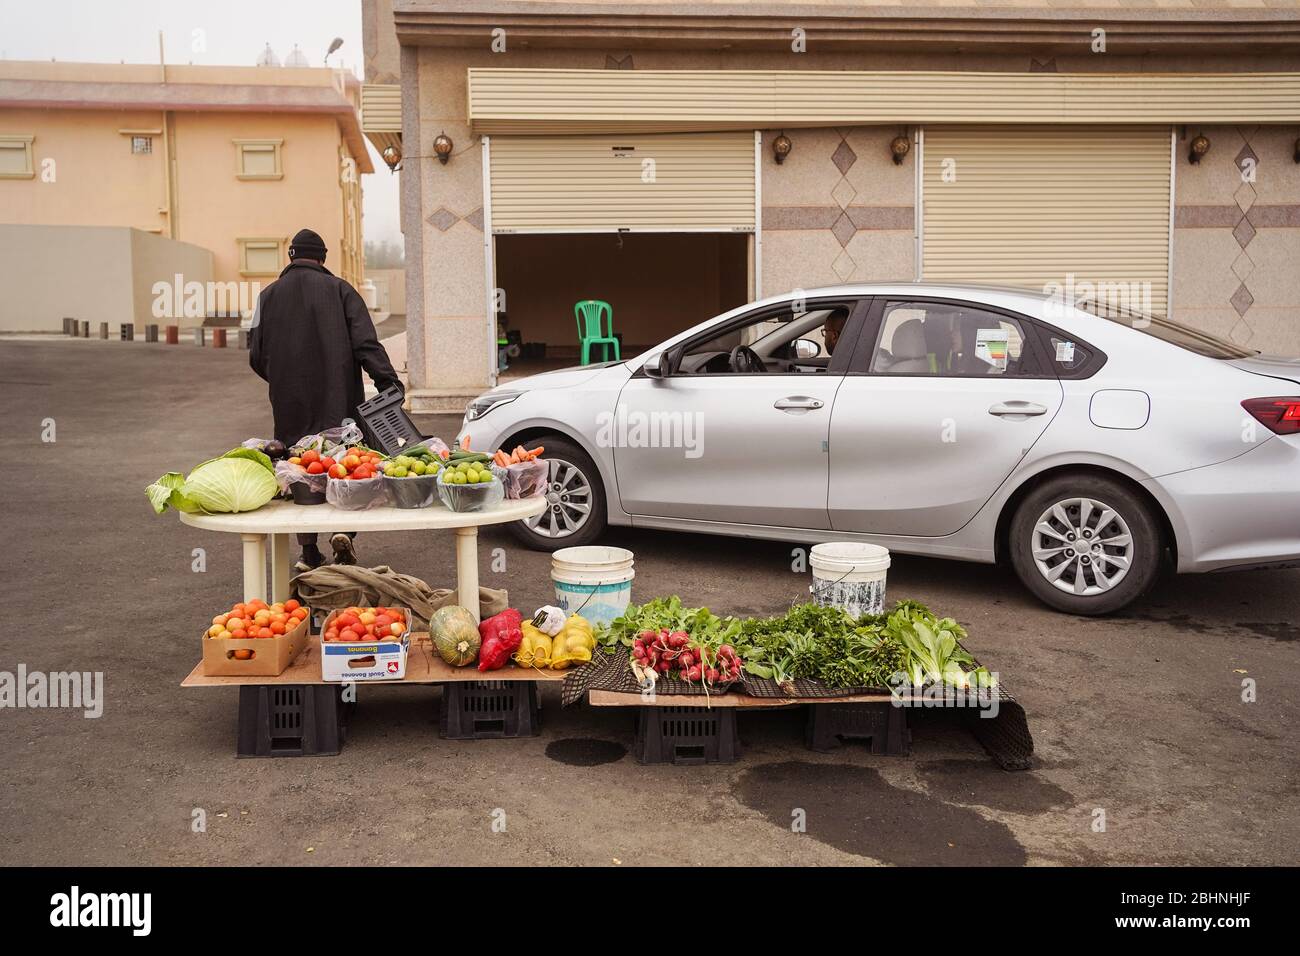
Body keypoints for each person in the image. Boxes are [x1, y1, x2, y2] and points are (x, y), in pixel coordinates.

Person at [249, 228, 403, 571]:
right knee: (343, 467)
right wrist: (388, 383)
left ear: (291, 256)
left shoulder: (265, 298)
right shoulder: (341, 291)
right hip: (339, 403)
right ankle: (343, 533)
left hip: (289, 406)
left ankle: (307, 551)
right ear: (322, 258)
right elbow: (367, 344)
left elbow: (256, 355)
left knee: (301, 470)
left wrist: (283, 381)